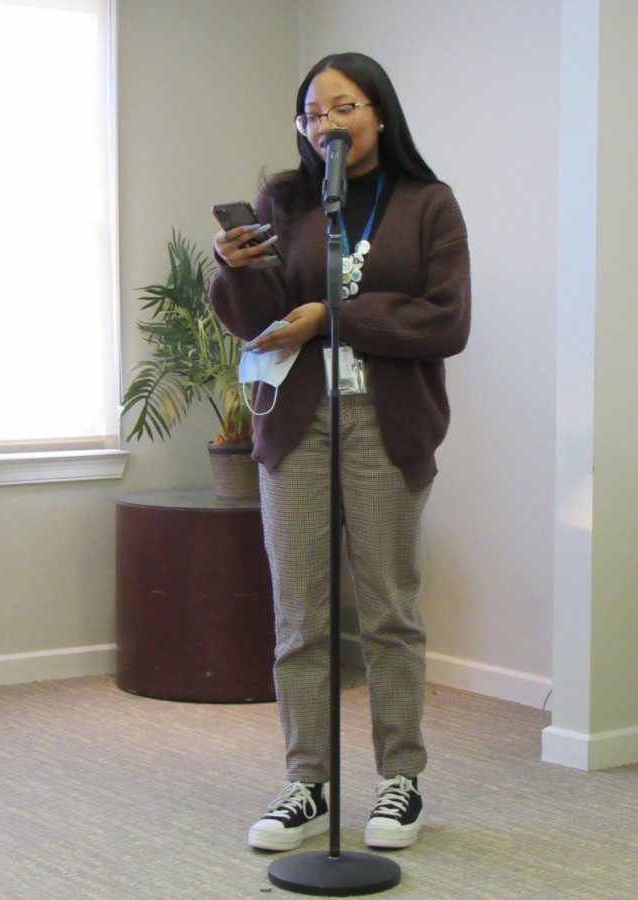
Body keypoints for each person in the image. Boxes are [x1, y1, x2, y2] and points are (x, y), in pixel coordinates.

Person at [209, 51, 470, 853]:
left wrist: (335, 315)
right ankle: (308, 784)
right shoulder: (283, 201)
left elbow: (444, 322)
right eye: (311, 114)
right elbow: (258, 321)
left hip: (385, 422)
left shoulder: (427, 204)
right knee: (300, 615)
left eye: (342, 106)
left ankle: (399, 780)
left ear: (378, 114)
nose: (324, 124)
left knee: (388, 610)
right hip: (296, 422)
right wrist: (232, 271)